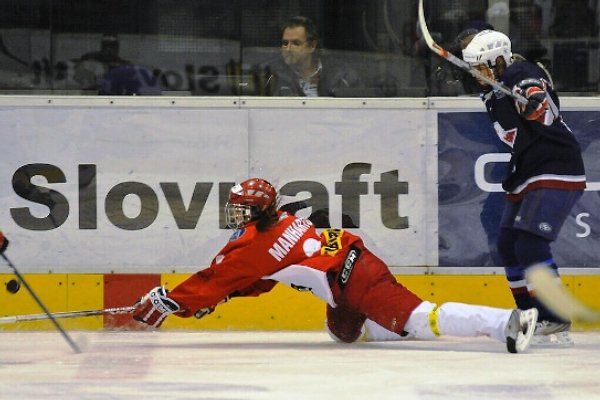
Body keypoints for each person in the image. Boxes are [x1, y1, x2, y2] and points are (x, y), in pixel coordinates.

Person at [133, 178, 538, 354]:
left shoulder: (255, 245)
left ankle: (506, 323)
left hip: (355, 280)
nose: (233, 215)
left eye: (239, 209)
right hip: (347, 273)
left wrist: (172, 302)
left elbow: (215, 278)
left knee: (421, 319)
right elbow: (262, 278)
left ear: (256, 211)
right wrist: (225, 295)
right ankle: (386, 322)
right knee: (343, 332)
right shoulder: (280, 224)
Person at [461, 30, 587, 345]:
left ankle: (555, 318)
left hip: (554, 165)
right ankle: (530, 316)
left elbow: (536, 95)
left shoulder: (520, 73)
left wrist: (535, 102)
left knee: (530, 244)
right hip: (528, 169)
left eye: (482, 67)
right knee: (507, 244)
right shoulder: (493, 89)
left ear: (498, 60)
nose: (478, 74)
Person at [263, 16, 362, 97]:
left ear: (312, 46)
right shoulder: (273, 76)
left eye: (296, 43)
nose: (288, 49)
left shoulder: (342, 75)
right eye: (285, 43)